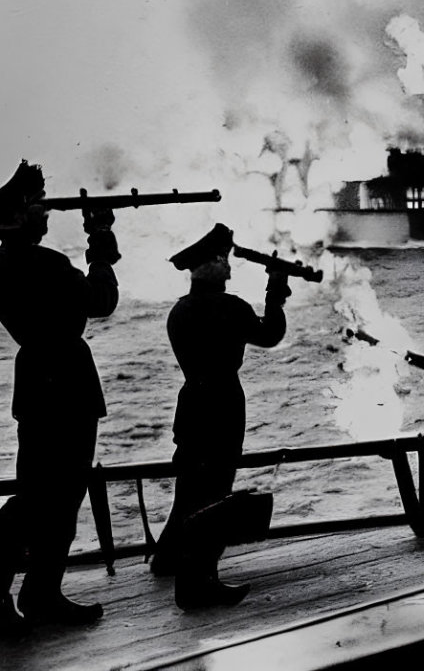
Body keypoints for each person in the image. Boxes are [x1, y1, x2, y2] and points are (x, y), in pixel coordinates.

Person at [0, 160, 120, 636]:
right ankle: (41, 593)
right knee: (58, 496)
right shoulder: (48, 264)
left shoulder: (3, 263)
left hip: (36, 382)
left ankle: (34, 593)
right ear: (22, 214)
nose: (47, 213)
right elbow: (102, 301)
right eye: (39, 206)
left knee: (36, 495)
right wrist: (102, 245)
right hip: (66, 383)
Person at [150, 223, 290, 610]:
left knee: (189, 490)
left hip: (191, 404)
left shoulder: (178, 312)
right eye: (223, 262)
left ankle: (166, 559)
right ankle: (200, 579)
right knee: (215, 494)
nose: (229, 270)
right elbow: (270, 334)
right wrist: (275, 290)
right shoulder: (230, 307)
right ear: (209, 266)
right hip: (224, 407)